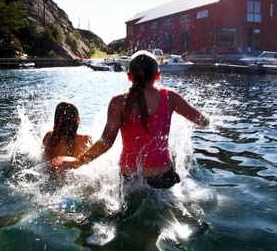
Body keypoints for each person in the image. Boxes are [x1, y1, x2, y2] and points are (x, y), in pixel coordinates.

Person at [50, 51, 209, 189]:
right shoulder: (170, 97)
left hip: (129, 178)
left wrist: (78, 162)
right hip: (162, 176)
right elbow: (202, 121)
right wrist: (207, 116)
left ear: (129, 76)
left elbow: (106, 142)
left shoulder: (118, 102)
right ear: (158, 75)